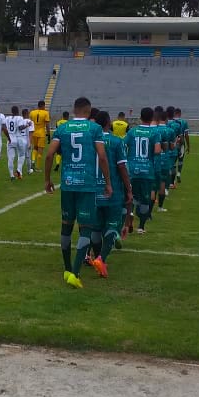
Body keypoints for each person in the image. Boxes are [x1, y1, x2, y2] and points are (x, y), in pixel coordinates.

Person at [43, 97, 112, 289]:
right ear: (89, 112)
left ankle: (66, 269)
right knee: (86, 228)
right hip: (87, 185)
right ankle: (74, 273)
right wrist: (107, 182)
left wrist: (47, 179)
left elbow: (49, 155)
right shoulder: (94, 129)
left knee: (66, 226)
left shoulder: (63, 128)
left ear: (74, 110)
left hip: (68, 183)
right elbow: (102, 156)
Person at [88, 111, 132, 278]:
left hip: (93, 190)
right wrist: (128, 188)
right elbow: (122, 167)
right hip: (112, 190)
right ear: (108, 123)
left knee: (96, 227)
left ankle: (96, 256)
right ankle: (101, 258)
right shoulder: (116, 142)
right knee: (112, 226)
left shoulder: (90, 141)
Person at [126, 107, 162, 236]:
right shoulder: (155, 133)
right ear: (152, 118)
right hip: (147, 170)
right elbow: (157, 150)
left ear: (140, 117)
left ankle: (129, 219)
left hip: (132, 169)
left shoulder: (132, 131)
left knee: (131, 196)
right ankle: (141, 227)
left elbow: (124, 145)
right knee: (145, 199)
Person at [3, 105, 26, 180]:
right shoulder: (19, 118)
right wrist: (26, 125)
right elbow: (20, 127)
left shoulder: (7, 118)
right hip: (18, 138)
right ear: (18, 111)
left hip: (10, 138)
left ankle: (11, 175)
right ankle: (19, 170)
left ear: (11, 111)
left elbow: (4, 128)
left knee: (10, 158)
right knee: (22, 155)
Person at [29, 100, 51, 171]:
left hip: (34, 132)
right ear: (43, 106)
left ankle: (32, 161)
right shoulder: (45, 113)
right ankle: (37, 167)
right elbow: (47, 124)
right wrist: (48, 133)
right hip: (41, 133)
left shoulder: (32, 112)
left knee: (35, 148)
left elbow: (30, 122)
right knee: (40, 150)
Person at [174, 107, 190, 185]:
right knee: (180, 160)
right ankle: (179, 173)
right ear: (180, 114)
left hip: (172, 144)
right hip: (181, 143)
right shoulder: (184, 122)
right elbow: (186, 135)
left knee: (172, 162)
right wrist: (188, 145)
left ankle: (171, 181)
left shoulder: (171, 122)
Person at [21, 108, 36, 175]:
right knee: (28, 156)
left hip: (20, 140)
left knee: (20, 156)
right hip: (26, 139)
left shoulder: (20, 121)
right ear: (27, 114)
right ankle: (29, 170)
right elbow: (30, 133)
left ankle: (19, 170)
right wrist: (29, 143)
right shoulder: (30, 122)